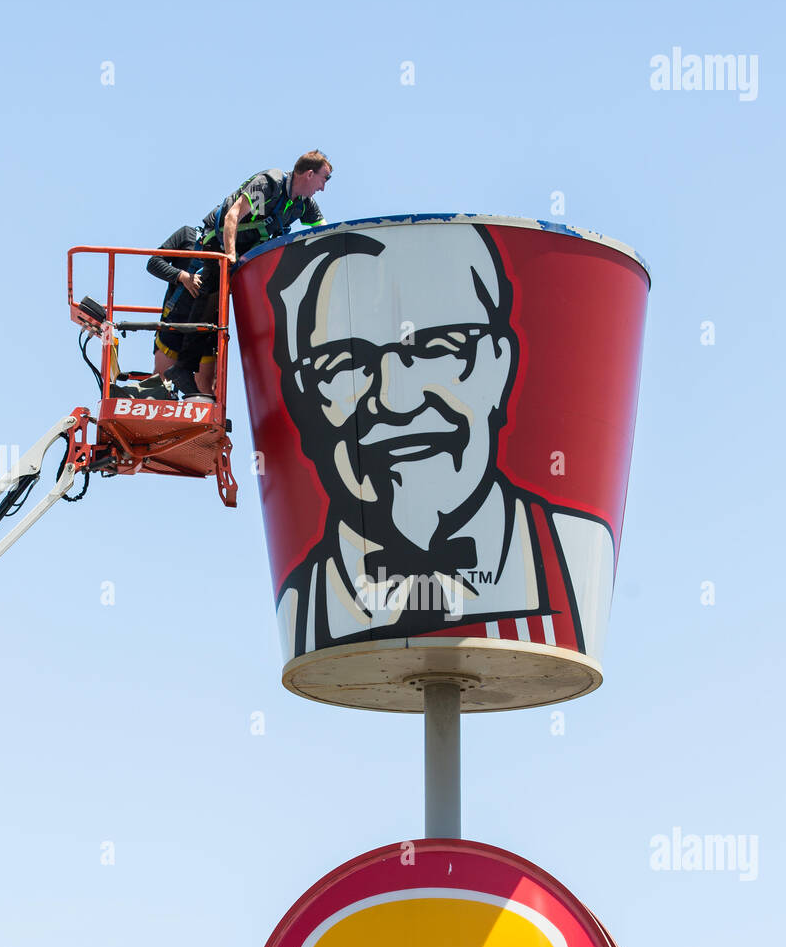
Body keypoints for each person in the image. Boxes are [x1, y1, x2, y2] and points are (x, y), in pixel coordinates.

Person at [266, 223, 615, 665]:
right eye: (345, 362)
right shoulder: (296, 605)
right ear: (301, 398)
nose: (396, 398)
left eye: (438, 347)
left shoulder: (579, 555)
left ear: (499, 366)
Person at [166, 151, 332, 397]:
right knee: (211, 298)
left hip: (250, 253)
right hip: (221, 244)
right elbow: (234, 215)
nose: (323, 188)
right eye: (324, 179)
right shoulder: (270, 184)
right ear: (309, 174)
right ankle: (182, 368)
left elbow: (323, 232)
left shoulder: (303, 204)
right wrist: (230, 254)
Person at [146, 226, 215, 395]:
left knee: (203, 391)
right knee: (161, 385)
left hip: (205, 329)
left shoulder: (232, 247)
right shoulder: (188, 235)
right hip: (175, 322)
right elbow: (154, 262)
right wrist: (183, 277)